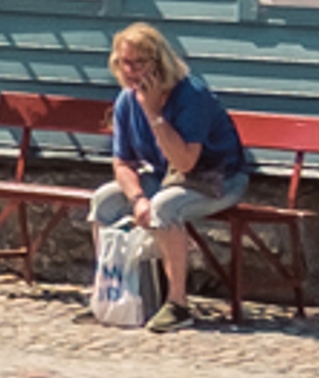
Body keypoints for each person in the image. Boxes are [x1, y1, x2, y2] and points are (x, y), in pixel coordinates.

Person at [95, 21, 250, 331]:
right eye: (126, 62)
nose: (132, 71)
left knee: (165, 207)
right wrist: (137, 198)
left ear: (158, 63)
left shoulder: (191, 95)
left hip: (218, 178)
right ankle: (112, 293)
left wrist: (154, 114)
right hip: (168, 177)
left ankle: (177, 303)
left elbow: (186, 162)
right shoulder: (127, 100)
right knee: (104, 200)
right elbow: (123, 162)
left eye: (140, 63)